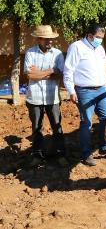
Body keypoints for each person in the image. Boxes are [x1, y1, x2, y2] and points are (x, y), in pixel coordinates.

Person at [63, 23, 106, 166]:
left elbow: (104, 70)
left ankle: (104, 146)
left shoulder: (100, 49)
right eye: (98, 37)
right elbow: (68, 70)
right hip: (84, 91)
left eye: (102, 38)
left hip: (101, 90)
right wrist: (71, 91)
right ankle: (86, 154)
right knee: (87, 123)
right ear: (89, 35)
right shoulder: (77, 47)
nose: (100, 40)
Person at [24, 25, 67, 167]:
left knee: (57, 126)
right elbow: (30, 75)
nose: (49, 41)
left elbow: (60, 75)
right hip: (34, 97)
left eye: (51, 39)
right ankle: (37, 155)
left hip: (52, 97)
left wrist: (39, 74)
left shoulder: (58, 54)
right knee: (37, 128)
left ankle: (60, 154)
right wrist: (49, 71)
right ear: (38, 39)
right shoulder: (30, 53)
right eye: (46, 39)